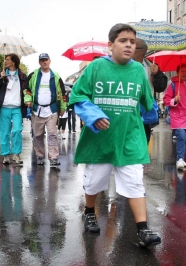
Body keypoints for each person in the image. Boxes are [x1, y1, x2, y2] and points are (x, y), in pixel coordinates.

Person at [68, 23, 161, 247]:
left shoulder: (139, 70)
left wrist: (152, 112)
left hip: (130, 137)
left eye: (132, 42)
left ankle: (143, 230)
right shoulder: (96, 68)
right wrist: (93, 116)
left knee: (135, 183)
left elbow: (147, 102)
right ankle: (89, 211)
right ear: (110, 45)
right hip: (100, 137)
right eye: (123, 41)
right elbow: (78, 95)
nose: (129, 45)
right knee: (94, 183)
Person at [24, 53, 67, 167]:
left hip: (51, 110)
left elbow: (62, 93)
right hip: (37, 110)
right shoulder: (33, 75)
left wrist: (62, 107)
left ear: (49, 61)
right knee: (38, 135)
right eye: (42, 60)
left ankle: (53, 158)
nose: (44, 62)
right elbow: (27, 90)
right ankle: (40, 156)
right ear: (39, 62)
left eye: (46, 60)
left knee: (52, 134)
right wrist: (28, 100)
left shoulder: (56, 76)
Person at [0, 53, 28, 165]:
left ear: (13, 62)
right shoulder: (2, 74)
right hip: (4, 108)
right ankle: (6, 155)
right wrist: (0, 78)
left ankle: (16, 154)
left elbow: (27, 90)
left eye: (7, 60)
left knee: (17, 130)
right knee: (4, 133)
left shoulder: (22, 76)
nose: (5, 61)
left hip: (17, 108)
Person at [132, 38, 168, 143]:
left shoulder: (150, 66)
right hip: (129, 107)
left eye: (134, 47)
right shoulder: (124, 64)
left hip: (145, 109)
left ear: (142, 50)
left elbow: (161, 87)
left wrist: (157, 74)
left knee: (143, 139)